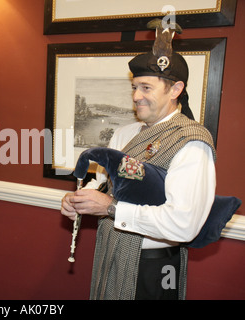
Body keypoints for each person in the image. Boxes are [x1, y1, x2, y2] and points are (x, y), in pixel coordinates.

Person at [61, 21, 216, 300]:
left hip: (154, 267)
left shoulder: (192, 142)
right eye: (134, 87)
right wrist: (80, 200)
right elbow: (106, 185)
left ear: (175, 89)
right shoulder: (124, 134)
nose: (135, 97)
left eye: (145, 88)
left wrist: (110, 208)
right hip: (111, 253)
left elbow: (184, 224)